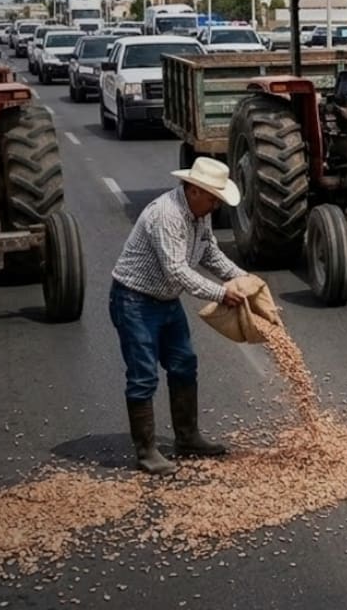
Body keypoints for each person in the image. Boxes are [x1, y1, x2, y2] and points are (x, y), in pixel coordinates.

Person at [110, 157, 251, 475]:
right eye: (213, 198)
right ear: (194, 190)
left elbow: (210, 252)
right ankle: (146, 451)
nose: (215, 205)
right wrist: (221, 293)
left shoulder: (200, 215)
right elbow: (177, 271)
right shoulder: (166, 215)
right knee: (143, 375)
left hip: (166, 300)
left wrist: (243, 279)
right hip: (135, 300)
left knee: (184, 363)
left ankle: (187, 437)